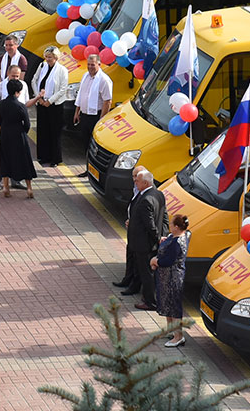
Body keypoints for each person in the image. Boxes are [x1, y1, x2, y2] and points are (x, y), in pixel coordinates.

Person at [121, 167, 167, 309]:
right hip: (151, 243)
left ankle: (150, 301)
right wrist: (163, 235)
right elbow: (164, 216)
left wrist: (158, 237)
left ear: (146, 183)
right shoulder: (158, 194)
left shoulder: (145, 200)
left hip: (144, 244)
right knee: (147, 272)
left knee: (146, 273)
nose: (135, 182)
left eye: (138, 181)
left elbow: (150, 225)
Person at [67, 53, 113, 162]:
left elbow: (107, 101)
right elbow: (80, 95)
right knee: (85, 142)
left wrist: (101, 121)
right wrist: (77, 112)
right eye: (88, 64)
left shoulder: (104, 80)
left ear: (99, 64)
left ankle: (93, 165)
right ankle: (87, 165)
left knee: (94, 146)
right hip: (84, 115)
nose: (90, 67)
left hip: (95, 116)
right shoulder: (85, 76)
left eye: (93, 65)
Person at [28, 47, 70, 165]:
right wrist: (39, 97)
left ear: (56, 57)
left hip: (55, 105)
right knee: (43, 130)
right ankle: (43, 156)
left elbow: (62, 89)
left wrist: (50, 101)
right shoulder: (42, 66)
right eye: (46, 57)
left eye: (50, 57)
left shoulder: (62, 70)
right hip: (41, 103)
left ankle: (55, 158)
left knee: (54, 132)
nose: (47, 59)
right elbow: (34, 81)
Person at [0, 77, 35, 198]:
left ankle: (6, 187)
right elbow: (27, 124)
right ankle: (29, 188)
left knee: (5, 158)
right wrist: (23, 131)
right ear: (17, 92)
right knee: (24, 160)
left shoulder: (1, 104)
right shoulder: (21, 106)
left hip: (5, 133)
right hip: (18, 134)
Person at [155, 214, 191, 346]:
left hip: (172, 278)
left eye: (171, 224)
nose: (169, 225)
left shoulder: (177, 243)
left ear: (176, 227)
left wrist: (155, 261)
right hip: (169, 278)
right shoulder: (182, 235)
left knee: (174, 307)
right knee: (168, 305)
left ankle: (178, 336)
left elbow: (167, 261)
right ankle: (171, 331)